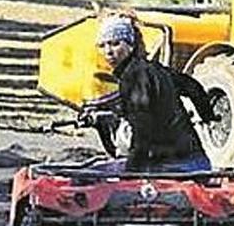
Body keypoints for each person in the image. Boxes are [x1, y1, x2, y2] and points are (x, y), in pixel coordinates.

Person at [89, 13, 216, 172]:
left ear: (130, 45)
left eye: (115, 44)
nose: (108, 51)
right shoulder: (157, 69)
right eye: (102, 45)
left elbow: (143, 128)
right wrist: (207, 115)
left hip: (172, 167)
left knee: (93, 174)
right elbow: (193, 87)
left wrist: (132, 171)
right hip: (198, 161)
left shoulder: (133, 77)